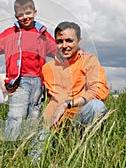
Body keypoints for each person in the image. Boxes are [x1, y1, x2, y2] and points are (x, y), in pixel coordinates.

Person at [0, 0, 57, 141]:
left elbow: (58, 52)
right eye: (20, 15)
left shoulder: (42, 35)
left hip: (38, 82)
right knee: (16, 117)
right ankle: (11, 149)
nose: (25, 17)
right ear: (16, 16)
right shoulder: (10, 34)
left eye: (28, 13)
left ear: (35, 12)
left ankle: (28, 147)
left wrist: (77, 55)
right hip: (18, 82)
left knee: (33, 117)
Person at [30, 21, 109, 161]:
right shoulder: (47, 68)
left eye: (69, 40)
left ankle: (86, 154)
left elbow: (98, 90)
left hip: (79, 121)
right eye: (60, 41)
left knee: (97, 107)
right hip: (54, 125)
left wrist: (67, 103)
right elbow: (37, 96)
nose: (64, 45)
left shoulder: (89, 61)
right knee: (33, 160)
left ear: (79, 41)